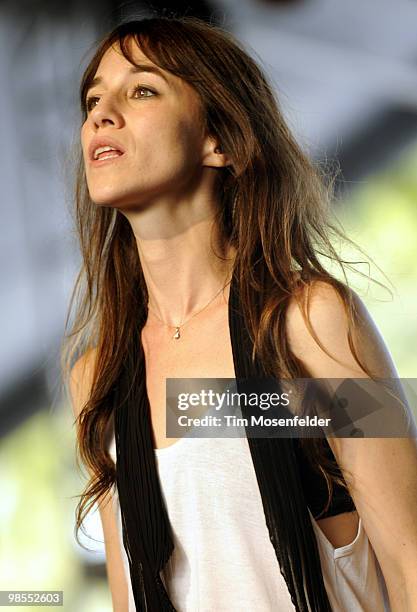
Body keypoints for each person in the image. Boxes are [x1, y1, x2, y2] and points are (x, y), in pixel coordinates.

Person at [63, 15, 417, 612]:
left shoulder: (314, 321)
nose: (101, 113)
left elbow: (410, 555)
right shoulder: (96, 378)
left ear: (217, 140)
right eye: (93, 98)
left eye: (142, 90)